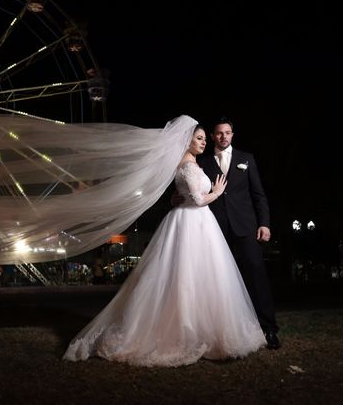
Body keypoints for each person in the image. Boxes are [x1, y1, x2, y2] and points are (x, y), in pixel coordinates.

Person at [63, 124, 266, 367]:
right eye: (199, 138)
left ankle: (200, 327)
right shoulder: (188, 164)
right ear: (187, 140)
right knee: (186, 276)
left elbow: (184, 192)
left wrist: (177, 196)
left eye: (204, 139)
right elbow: (199, 199)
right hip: (192, 221)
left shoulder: (190, 162)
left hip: (198, 222)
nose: (204, 142)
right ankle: (187, 329)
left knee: (199, 277)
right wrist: (218, 192)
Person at [196, 117, 280, 349]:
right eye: (219, 133)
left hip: (246, 228)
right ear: (213, 136)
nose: (223, 136)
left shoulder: (246, 159)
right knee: (218, 280)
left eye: (228, 133)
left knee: (256, 276)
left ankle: (269, 329)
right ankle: (222, 331)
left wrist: (264, 223)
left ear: (233, 135)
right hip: (214, 229)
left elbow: (259, 195)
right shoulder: (201, 162)